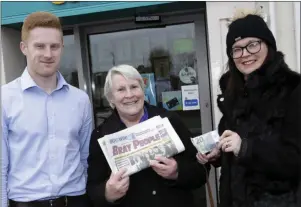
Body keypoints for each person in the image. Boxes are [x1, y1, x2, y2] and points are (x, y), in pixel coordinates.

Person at [196, 11, 300, 207]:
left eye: (252, 45)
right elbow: (233, 151)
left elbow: (295, 159)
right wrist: (217, 154)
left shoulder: (292, 90)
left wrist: (245, 148)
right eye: (236, 49)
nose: (245, 54)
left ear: (268, 45)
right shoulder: (233, 95)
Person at [1, 12, 93, 207]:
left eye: (54, 46)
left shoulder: (80, 100)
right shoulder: (5, 99)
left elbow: (86, 157)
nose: (48, 54)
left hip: (76, 200)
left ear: (62, 47)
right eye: (39, 46)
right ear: (24, 48)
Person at [87, 64, 210, 207]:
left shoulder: (169, 121)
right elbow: (93, 190)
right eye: (121, 89)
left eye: (134, 87)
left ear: (142, 90)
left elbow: (201, 170)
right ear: (111, 98)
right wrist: (107, 193)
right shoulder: (101, 136)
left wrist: (177, 172)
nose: (129, 95)